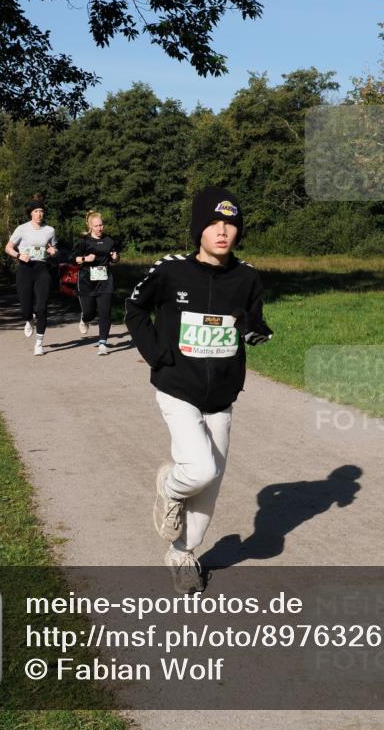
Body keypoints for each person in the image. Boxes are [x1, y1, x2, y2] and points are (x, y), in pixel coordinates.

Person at [125, 186, 272, 593]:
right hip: (177, 387)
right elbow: (135, 308)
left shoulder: (247, 277)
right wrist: (156, 353)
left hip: (222, 397)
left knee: (210, 487)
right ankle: (168, 487)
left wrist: (254, 329)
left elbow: (256, 328)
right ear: (198, 230)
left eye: (230, 224)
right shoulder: (170, 270)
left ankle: (182, 552)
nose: (222, 231)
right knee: (199, 468)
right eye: (213, 223)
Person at [5, 195, 58, 356]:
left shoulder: (50, 230)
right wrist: (18, 255)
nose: (39, 214)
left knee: (42, 306)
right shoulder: (22, 228)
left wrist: (53, 252)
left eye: (41, 211)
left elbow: (53, 249)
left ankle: (39, 343)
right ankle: (29, 319)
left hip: (42, 269)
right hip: (25, 269)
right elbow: (8, 247)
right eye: (36, 211)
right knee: (25, 309)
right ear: (31, 213)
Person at [71, 211, 120, 355]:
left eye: (101, 225)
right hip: (86, 281)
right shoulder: (84, 242)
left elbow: (115, 258)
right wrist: (85, 259)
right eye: (96, 226)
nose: (100, 228)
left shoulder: (109, 241)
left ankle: (103, 343)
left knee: (105, 313)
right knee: (89, 312)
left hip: (105, 280)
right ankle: (84, 318)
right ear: (90, 226)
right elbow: (72, 259)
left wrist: (115, 257)